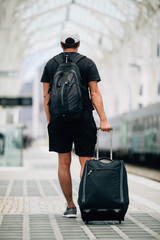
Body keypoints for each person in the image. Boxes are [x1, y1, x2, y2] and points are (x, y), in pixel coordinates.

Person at [41, 28, 111, 218]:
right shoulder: (87, 63)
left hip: (58, 120)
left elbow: (46, 96)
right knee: (86, 163)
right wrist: (103, 118)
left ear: (61, 44)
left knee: (63, 163)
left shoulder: (50, 64)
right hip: (83, 118)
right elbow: (95, 93)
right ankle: (86, 204)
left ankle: (71, 207)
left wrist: (50, 121)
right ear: (78, 44)